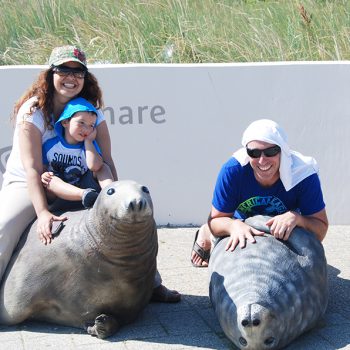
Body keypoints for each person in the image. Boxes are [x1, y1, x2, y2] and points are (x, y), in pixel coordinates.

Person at [0, 45, 180, 303]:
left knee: (130, 221)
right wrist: (42, 213)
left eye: (78, 72)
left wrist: (113, 198)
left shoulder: (92, 112)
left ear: (86, 78)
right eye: (64, 70)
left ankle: (151, 283)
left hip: (77, 179)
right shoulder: (33, 110)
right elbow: (32, 169)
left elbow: (105, 161)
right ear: (51, 73)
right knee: (3, 228)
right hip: (31, 182)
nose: (71, 78)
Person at [191, 119, 328, 267]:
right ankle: (206, 234)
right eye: (254, 152)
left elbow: (320, 232)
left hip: (284, 228)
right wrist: (232, 226)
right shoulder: (232, 170)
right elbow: (216, 220)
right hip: (242, 224)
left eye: (271, 151)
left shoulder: (303, 174)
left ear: (282, 150)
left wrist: (298, 218)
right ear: (246, 151)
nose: (262, 160)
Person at [41, 97, 113, 209]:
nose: (86, 129)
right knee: (50, 180)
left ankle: (111, 194)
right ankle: (83, 194)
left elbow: (95, 166)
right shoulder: (50, 146)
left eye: (91, 126)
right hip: (60, 196)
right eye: (81, 123)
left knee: (103, 167)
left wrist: (88, 142)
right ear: (65, 122)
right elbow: (41, 169)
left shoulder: (89, 146)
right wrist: (44, 175)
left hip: (89, 193)